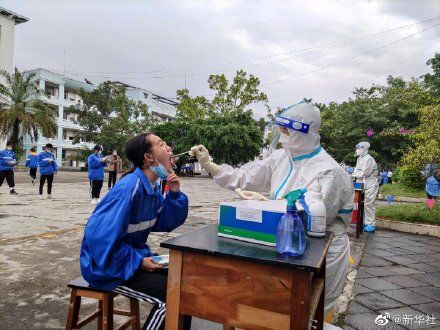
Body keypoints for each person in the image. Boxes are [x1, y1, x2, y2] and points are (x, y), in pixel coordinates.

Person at [191, 101, 354, 322]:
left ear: (304, 131)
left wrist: (269, 204)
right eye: (281, 130)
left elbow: (314, 216)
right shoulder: (282, 159)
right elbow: (245, 177)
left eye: (287, 131)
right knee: (282, 310)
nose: (282, 135)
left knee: (315, 311)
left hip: (322, 249)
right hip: (286, 242)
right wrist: (211, 165)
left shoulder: (329, 171)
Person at [80, 133, 191, 330]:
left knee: (186, 285)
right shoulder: (128, 189)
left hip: (130, 258)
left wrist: (174, 194)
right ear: (149, 158)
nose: (169, 149)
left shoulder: (153, 187)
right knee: (172, 298)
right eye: (162, 144)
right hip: (107, 266)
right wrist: (138, 261)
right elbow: (98, 240)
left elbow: (162, 222)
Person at [352, 142, 379, 232]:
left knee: (369, 203)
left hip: (370, 182)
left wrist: (353, 175)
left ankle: (370, 224)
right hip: (361, 182)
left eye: (359, 148)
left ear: (364, 149)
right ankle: (362, 222)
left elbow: (365, 173)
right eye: (357, 148)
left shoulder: (369, 159)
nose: (357, 150)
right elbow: (357, 171)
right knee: (360, 203)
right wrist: (354, 174)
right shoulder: (359, 159)